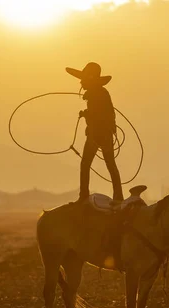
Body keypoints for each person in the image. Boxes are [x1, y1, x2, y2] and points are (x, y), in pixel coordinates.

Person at [66, 62, 123, 203]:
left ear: (89, 80)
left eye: (83, 79)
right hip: (101, 133)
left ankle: (84, 196)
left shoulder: (98, 94)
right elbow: (104, 113)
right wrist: (87, 114)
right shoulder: (98, 93)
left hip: (98, 134)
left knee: (86, 164)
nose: (80, 82)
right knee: (109, 164)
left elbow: (100, 114)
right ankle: (118, 196)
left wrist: (87, 114)